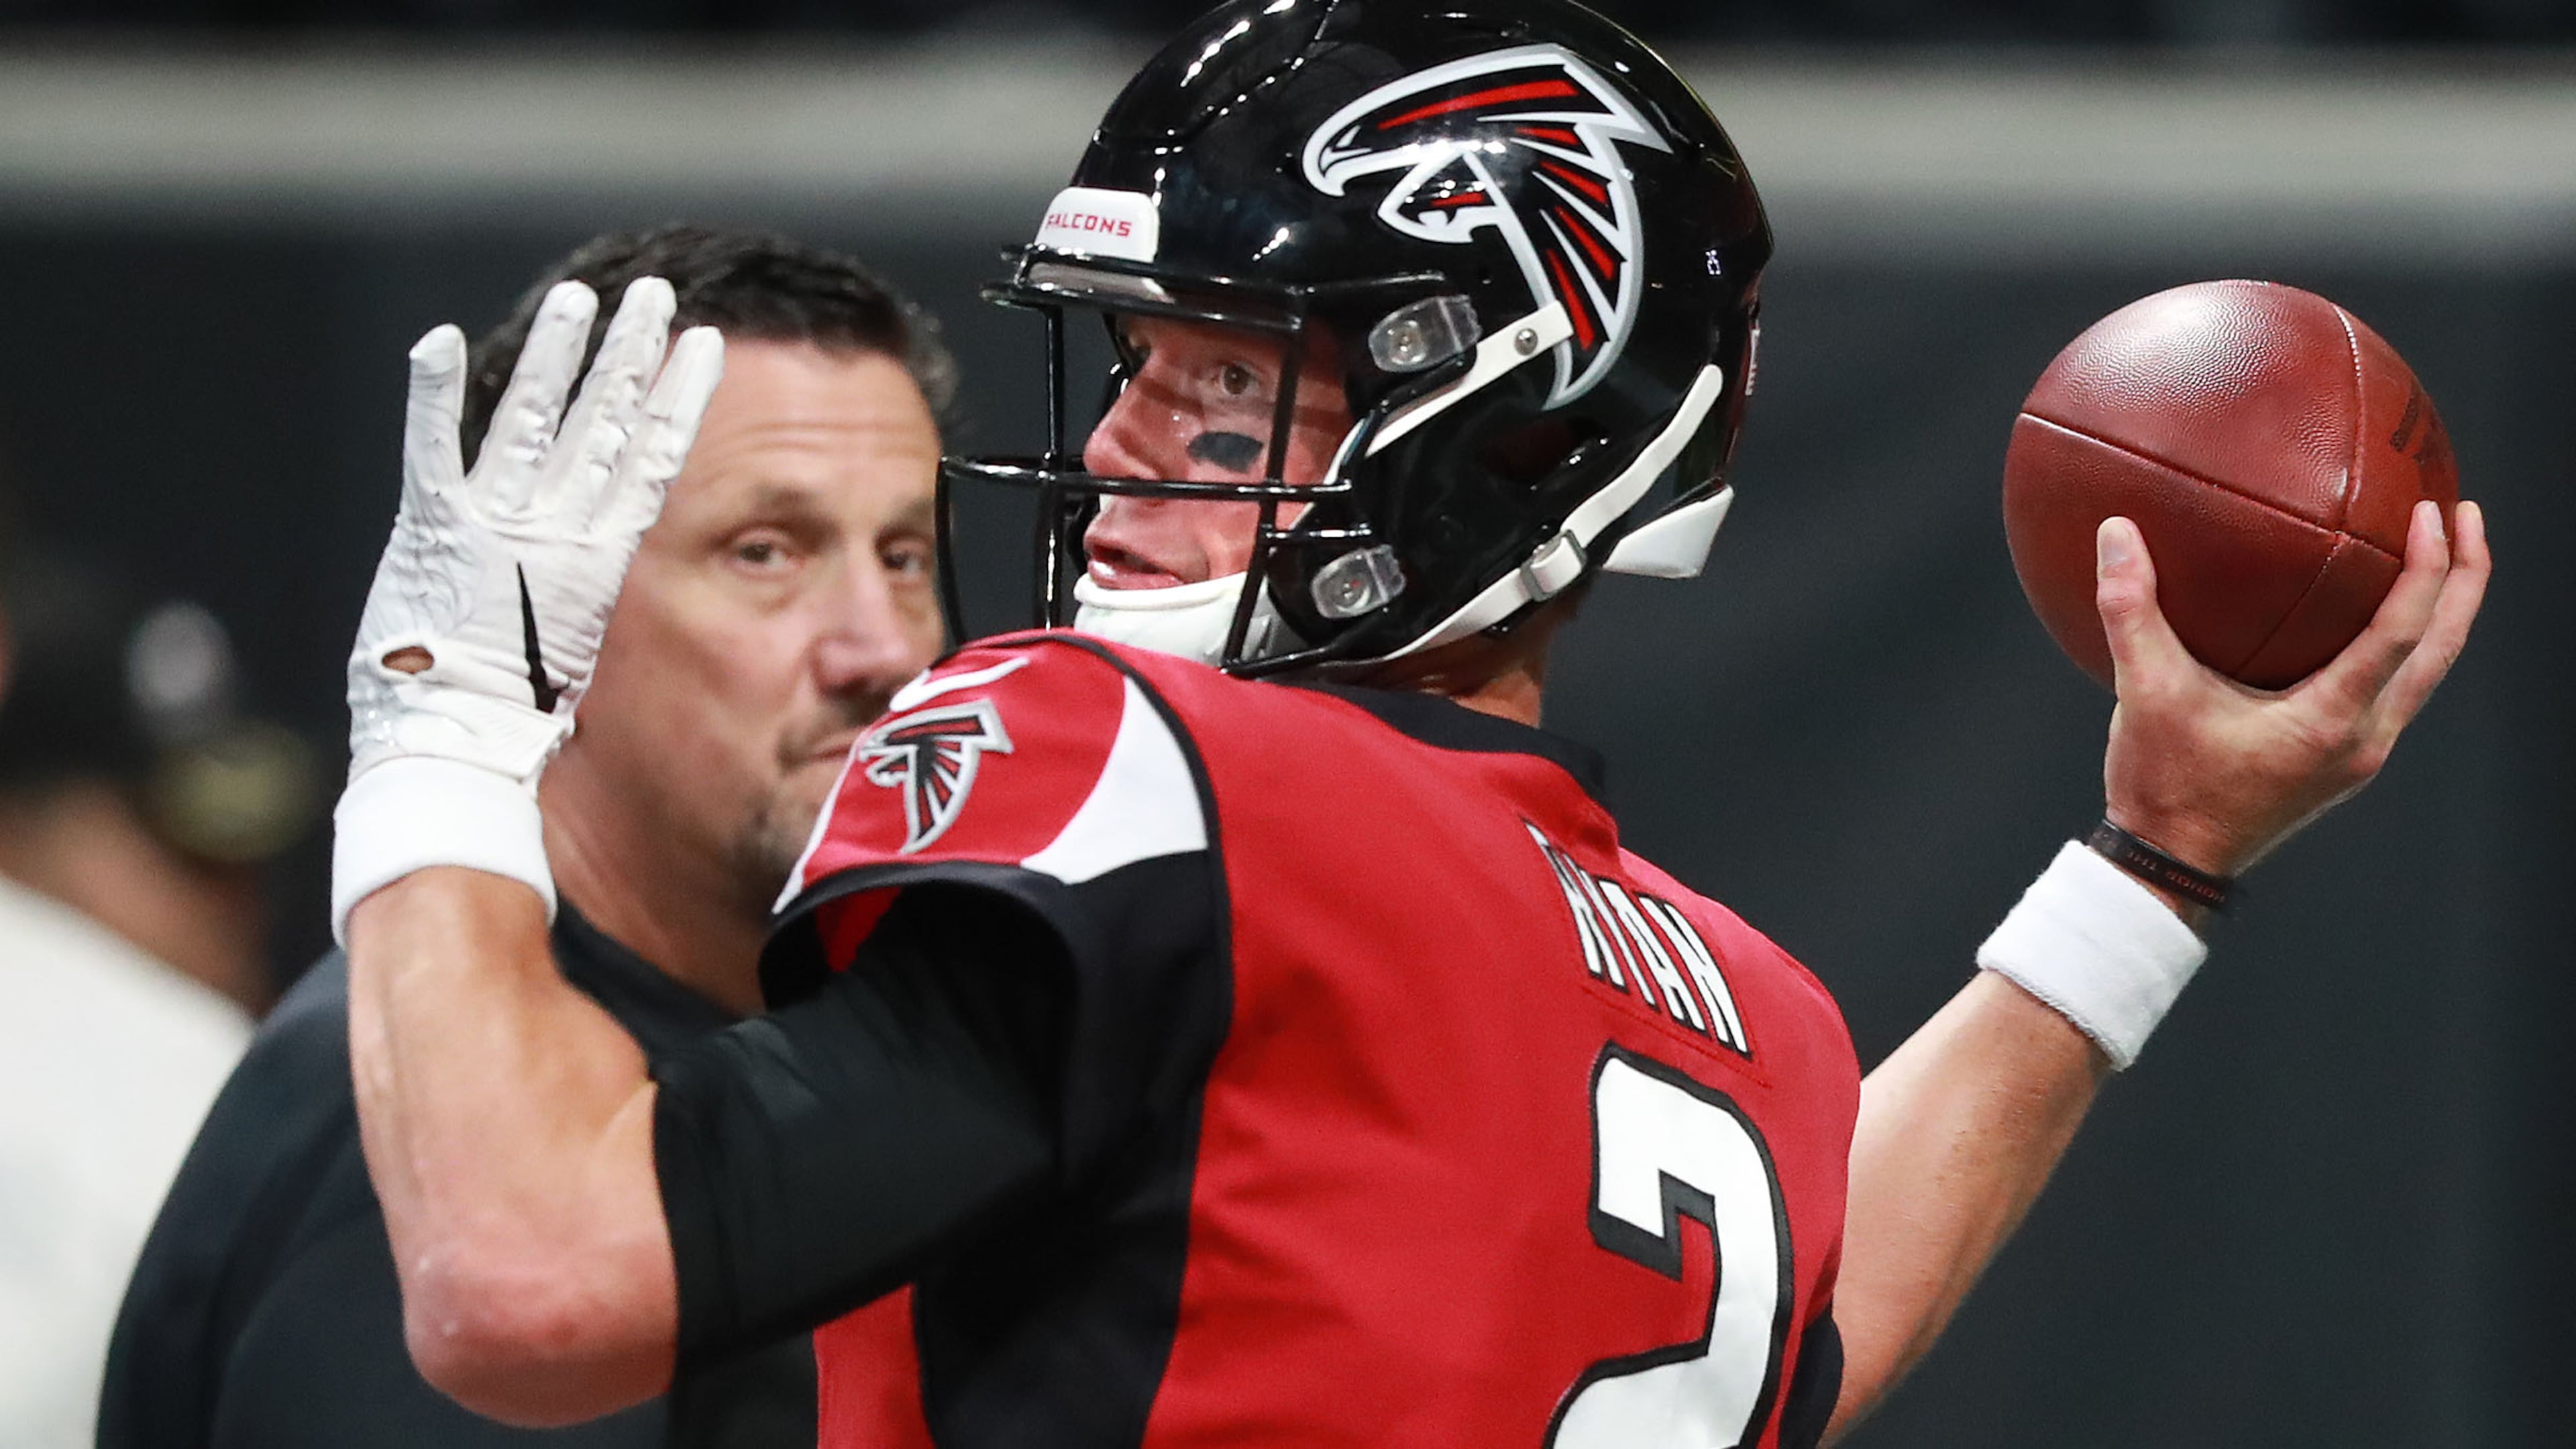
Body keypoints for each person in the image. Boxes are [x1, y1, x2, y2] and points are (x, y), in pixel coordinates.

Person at [327, 4, 2491, 1446]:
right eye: (1143, 365)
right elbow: (1799, 1357)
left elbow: (528, 1287)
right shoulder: (1751, 1023)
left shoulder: (1144, 771)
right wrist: (2153, 873)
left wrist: (439, 738)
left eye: (1238, 386)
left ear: (1511, 438)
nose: (1129, 450)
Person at [97, 225, 955, 1448]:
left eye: (907, 555)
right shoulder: (423, 1143)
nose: (883, 650)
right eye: (767, 553)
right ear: (551, 621)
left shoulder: (828, 1039)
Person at [0, 553, 258, 1449]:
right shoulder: (195, 1075)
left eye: (247, 861)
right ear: (17, 824)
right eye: (179, 850)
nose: (232, 907)